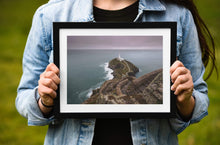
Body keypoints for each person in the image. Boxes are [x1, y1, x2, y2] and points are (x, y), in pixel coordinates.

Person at [16, 0, 217, 145]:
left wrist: (184, 100)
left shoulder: (178, 14)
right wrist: (45, 101)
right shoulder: (50, 14)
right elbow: (25, 96)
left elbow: (199, 100)